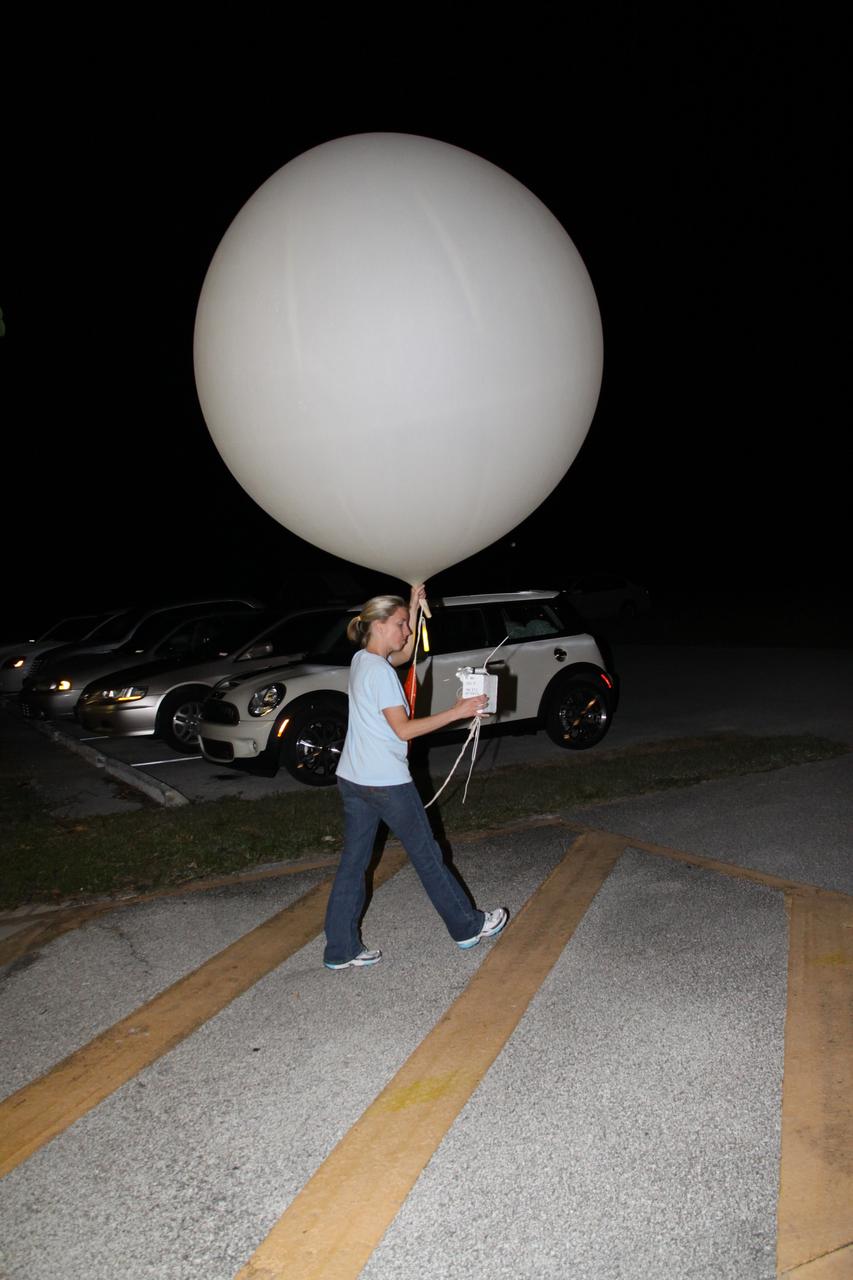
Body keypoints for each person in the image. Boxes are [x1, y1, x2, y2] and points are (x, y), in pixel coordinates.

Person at [323, 584, 508, 969]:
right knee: (427, 856)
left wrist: (414, 607)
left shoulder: (362, 660)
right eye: (401, 625)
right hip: (385, 783)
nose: (408, 632)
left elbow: (405, 654)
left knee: (354, 864)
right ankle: (469, 926)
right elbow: (404, 731)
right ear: (378, 626)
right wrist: (458, 711)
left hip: (354, 779)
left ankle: (340, 950)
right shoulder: (380, 674)